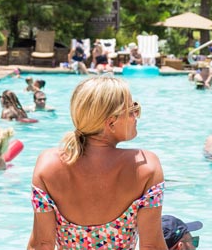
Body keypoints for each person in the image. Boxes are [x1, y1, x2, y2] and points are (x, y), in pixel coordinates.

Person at [28, 76, 166, 249]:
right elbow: (151, 246)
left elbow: (42, 244)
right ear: (111, 122)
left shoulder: (47, 165)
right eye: (132, 110)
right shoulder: (146, 166)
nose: (136, 116)